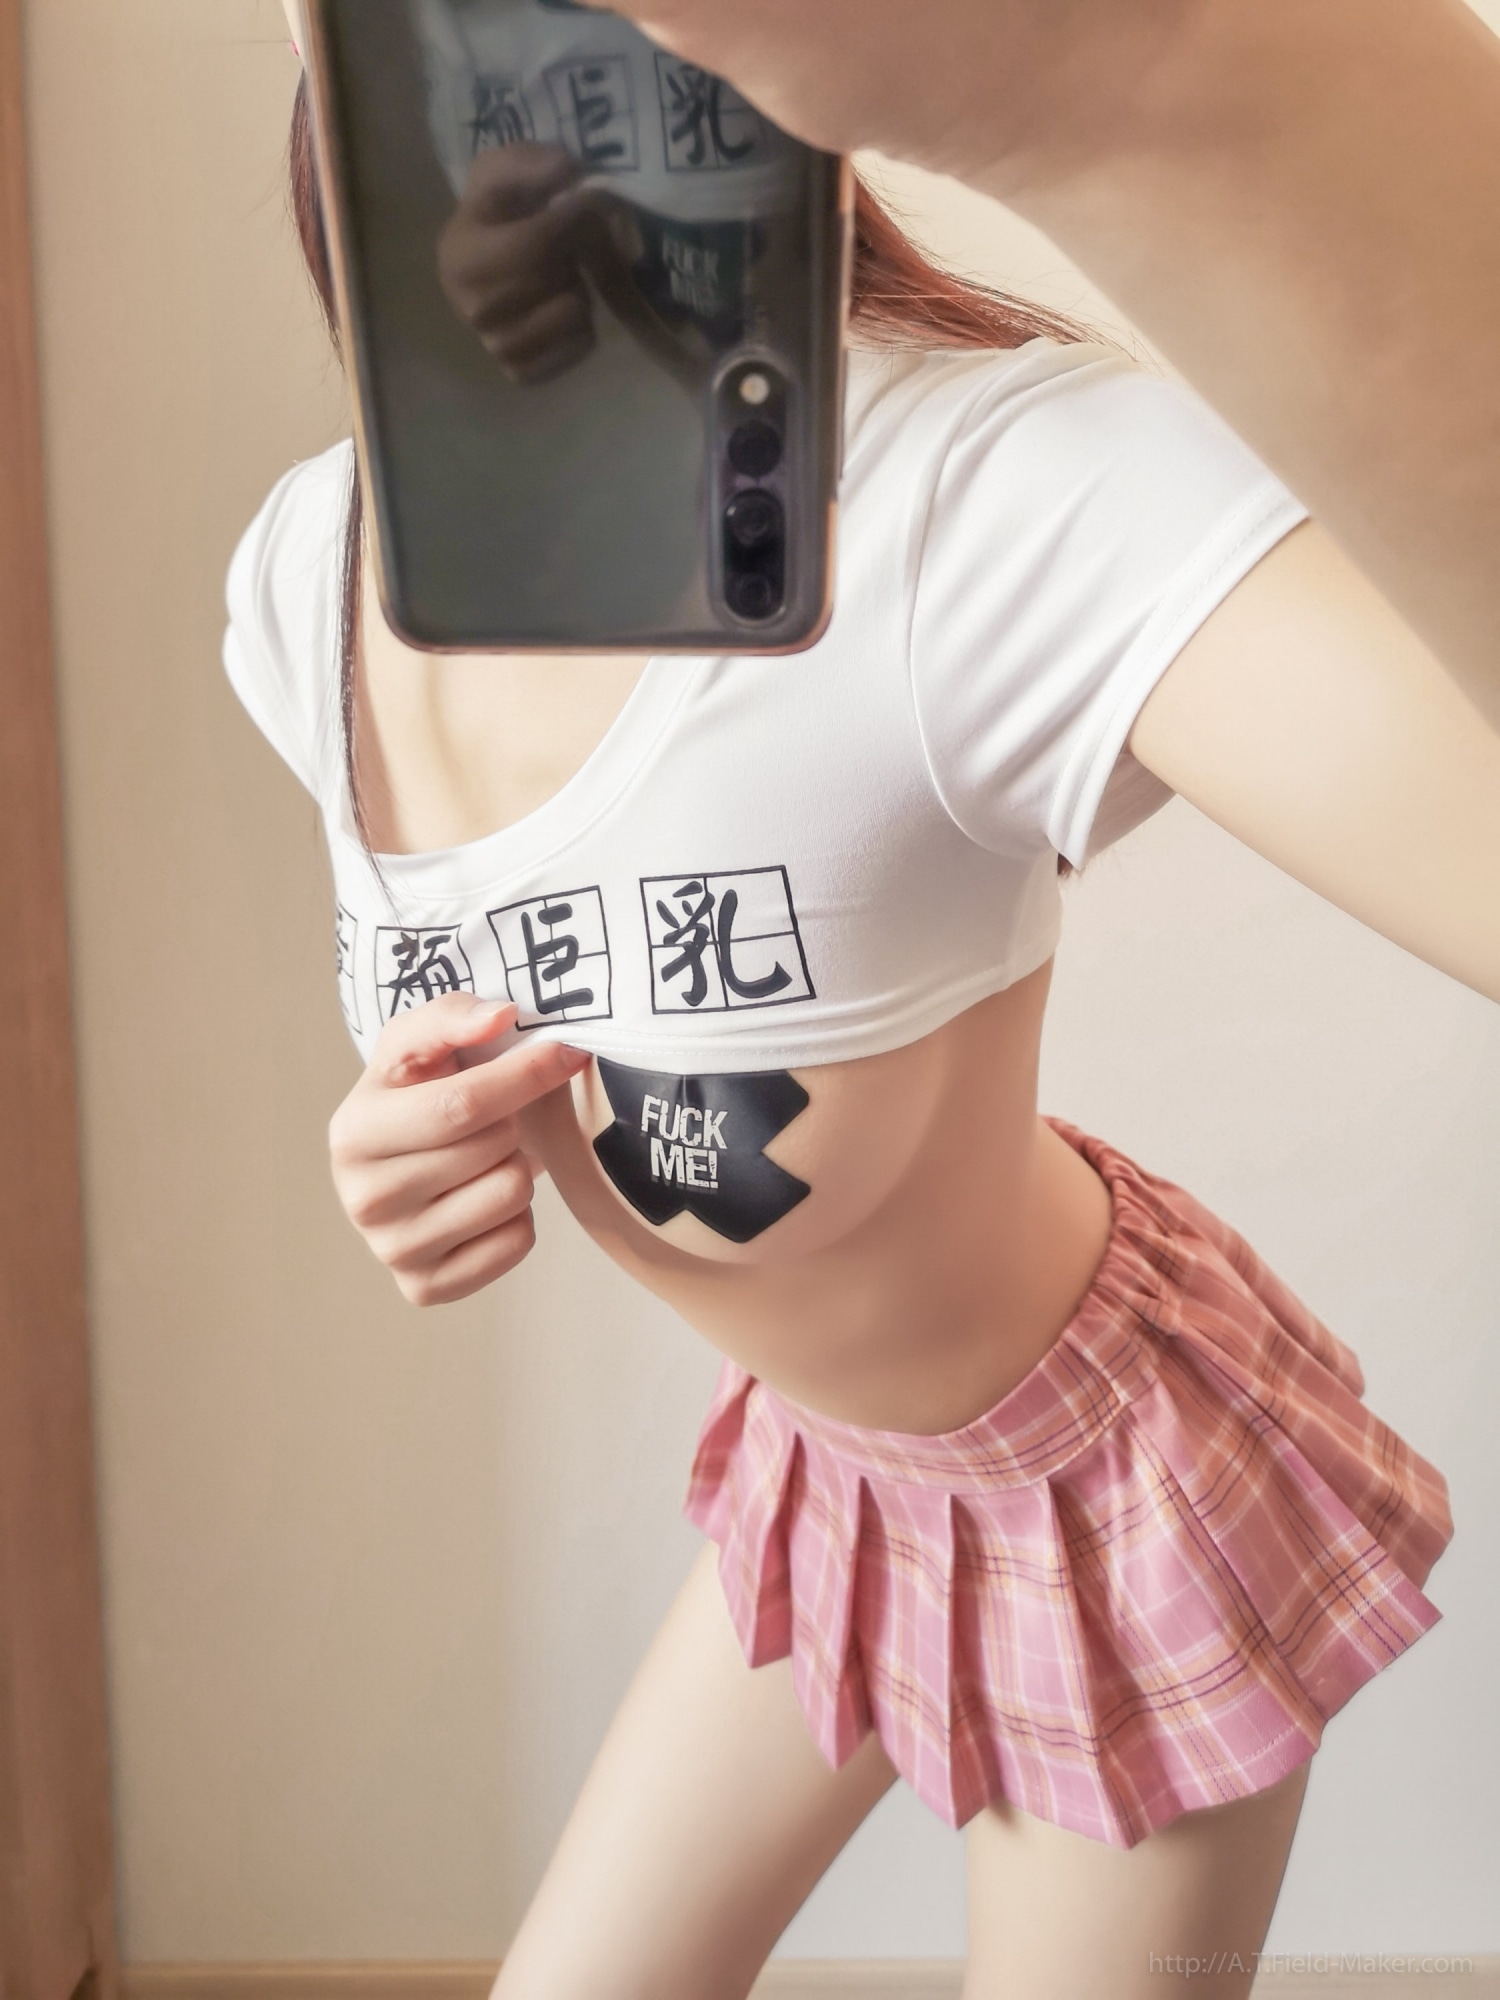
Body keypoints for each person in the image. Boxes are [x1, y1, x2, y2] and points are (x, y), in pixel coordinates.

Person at [230, 4, 1496, 1994]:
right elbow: (531, 948)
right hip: (830, 1457)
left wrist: (1171, 87)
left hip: (1106, 1482)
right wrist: (406, 1125)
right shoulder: (309, 565)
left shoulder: (970, 501)